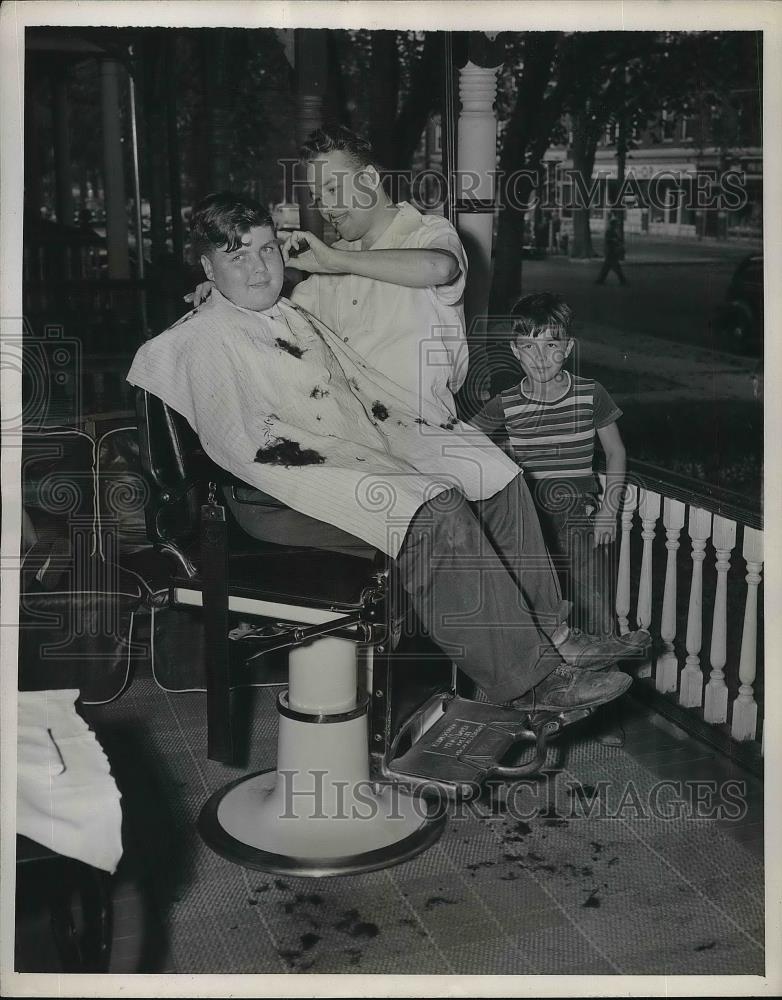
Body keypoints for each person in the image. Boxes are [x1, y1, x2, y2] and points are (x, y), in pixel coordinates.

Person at [130, 192, 634, 716]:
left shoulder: (289, 312)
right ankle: (530, 684)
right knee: (432, 508)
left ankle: (551, 633)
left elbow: (354, 394)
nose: (258, 270)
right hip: (277, 495)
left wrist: (404, 450)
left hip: (345, 456)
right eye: (237, 257)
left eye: (266, 251)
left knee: (491, 469)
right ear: (209, 266)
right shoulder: (192, 341)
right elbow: (246, 445)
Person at [188, 126, 468, 419]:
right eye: (318, 197)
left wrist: (337, 260)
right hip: (354, 434)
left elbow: (441, 267)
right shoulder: (326, 261)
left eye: (333, 189)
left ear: (370, 178)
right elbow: (278, 330)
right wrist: (226, 297)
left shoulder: (427, 234)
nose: (326, 207)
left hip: (424, 429)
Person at [471, 291, 648, 647]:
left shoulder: (591, 394)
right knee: (536, 615)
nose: (540, 357)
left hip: (579, 519)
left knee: (594, 611)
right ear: (514, 350)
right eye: (529, 346)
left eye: (551, 345)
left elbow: (615, 453)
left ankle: (600, 689)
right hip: (526, 521)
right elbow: (465, 442)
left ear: (567, 349)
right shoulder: (505, 404)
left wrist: (609, 512)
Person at [595, 215, 627, 286]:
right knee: (615, 268)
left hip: (611, 252)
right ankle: (623, 280)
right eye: (616, 224)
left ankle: (600, 280)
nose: (616, 226)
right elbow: (608, 240)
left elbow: (617, 240)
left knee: (607, 267)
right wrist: (615, 241)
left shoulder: (612, 231)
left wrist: (617, 241)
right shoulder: (610, 231)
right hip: (611, 251)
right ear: (613, 225)